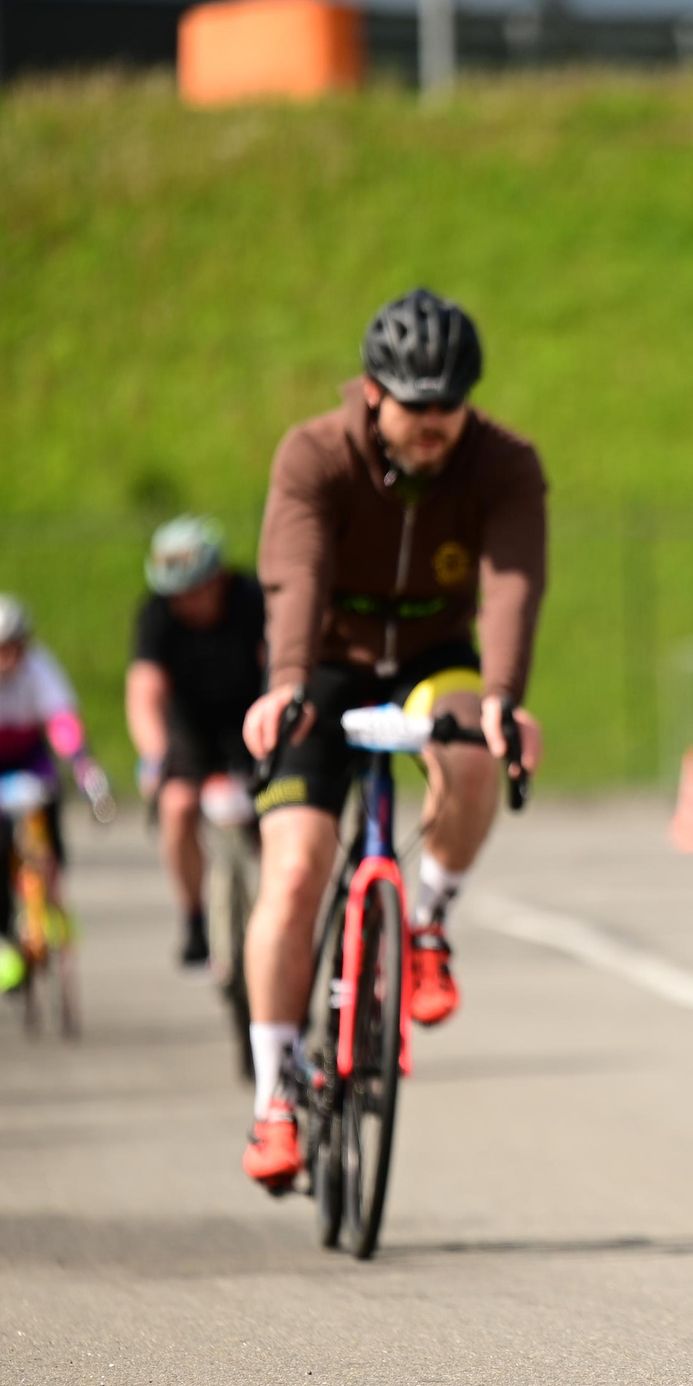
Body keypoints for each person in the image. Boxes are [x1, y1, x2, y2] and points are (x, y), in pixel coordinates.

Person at [236, 287, 547, 1190]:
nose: (432, 424)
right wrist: (287, 682)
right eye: (415, 404)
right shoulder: (314, 454)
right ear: (374, 392)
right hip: (325, 662)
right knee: (294, 869)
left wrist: (504, 696)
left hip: (431, 655)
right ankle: (273, 1101)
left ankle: (427, 924)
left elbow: (513, 583)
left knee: (474, 746)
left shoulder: (502, 464)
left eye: (448, 405)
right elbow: (292, 575)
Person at [0, 593, 115, 994]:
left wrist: (83, 766)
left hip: (28, 756)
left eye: (13, 647)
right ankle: (1, 941)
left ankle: (53, 893)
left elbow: (61, 721)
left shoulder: (39, 666)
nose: (6, 658)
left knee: (52, 815)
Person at [124, 516, 267, 970]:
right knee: (178, 806)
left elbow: (278, 662)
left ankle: (276, 915)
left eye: (195, 590)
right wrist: (154, 755)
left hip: (251, 718)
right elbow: (145, 690)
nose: (186, 603)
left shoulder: (252, 600)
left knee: (273, 814)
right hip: (190, 728)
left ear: (217, 577)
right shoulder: (156, 614)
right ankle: (193, 918)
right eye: (176, 594)